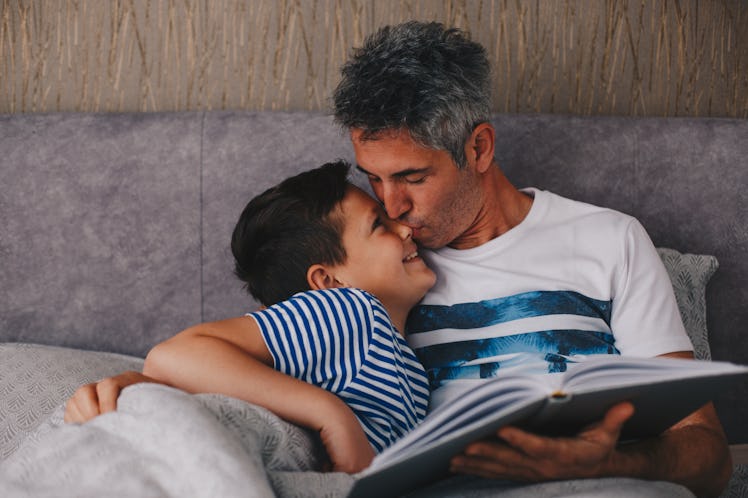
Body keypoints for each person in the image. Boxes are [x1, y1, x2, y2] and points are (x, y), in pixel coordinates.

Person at [331, 21, 731, 497]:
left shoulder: (609, 239)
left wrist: (609, 463)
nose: (391, 206)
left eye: (413, 178)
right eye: (374, 179)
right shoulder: (379, 265)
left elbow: (708, 456)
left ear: (478, 147)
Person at [65, 160, 435, 473]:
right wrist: (330, 413)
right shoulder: (352, 311)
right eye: (378, 226)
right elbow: (173, 356)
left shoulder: (403, 363)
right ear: (328, 281)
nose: (404, 227)